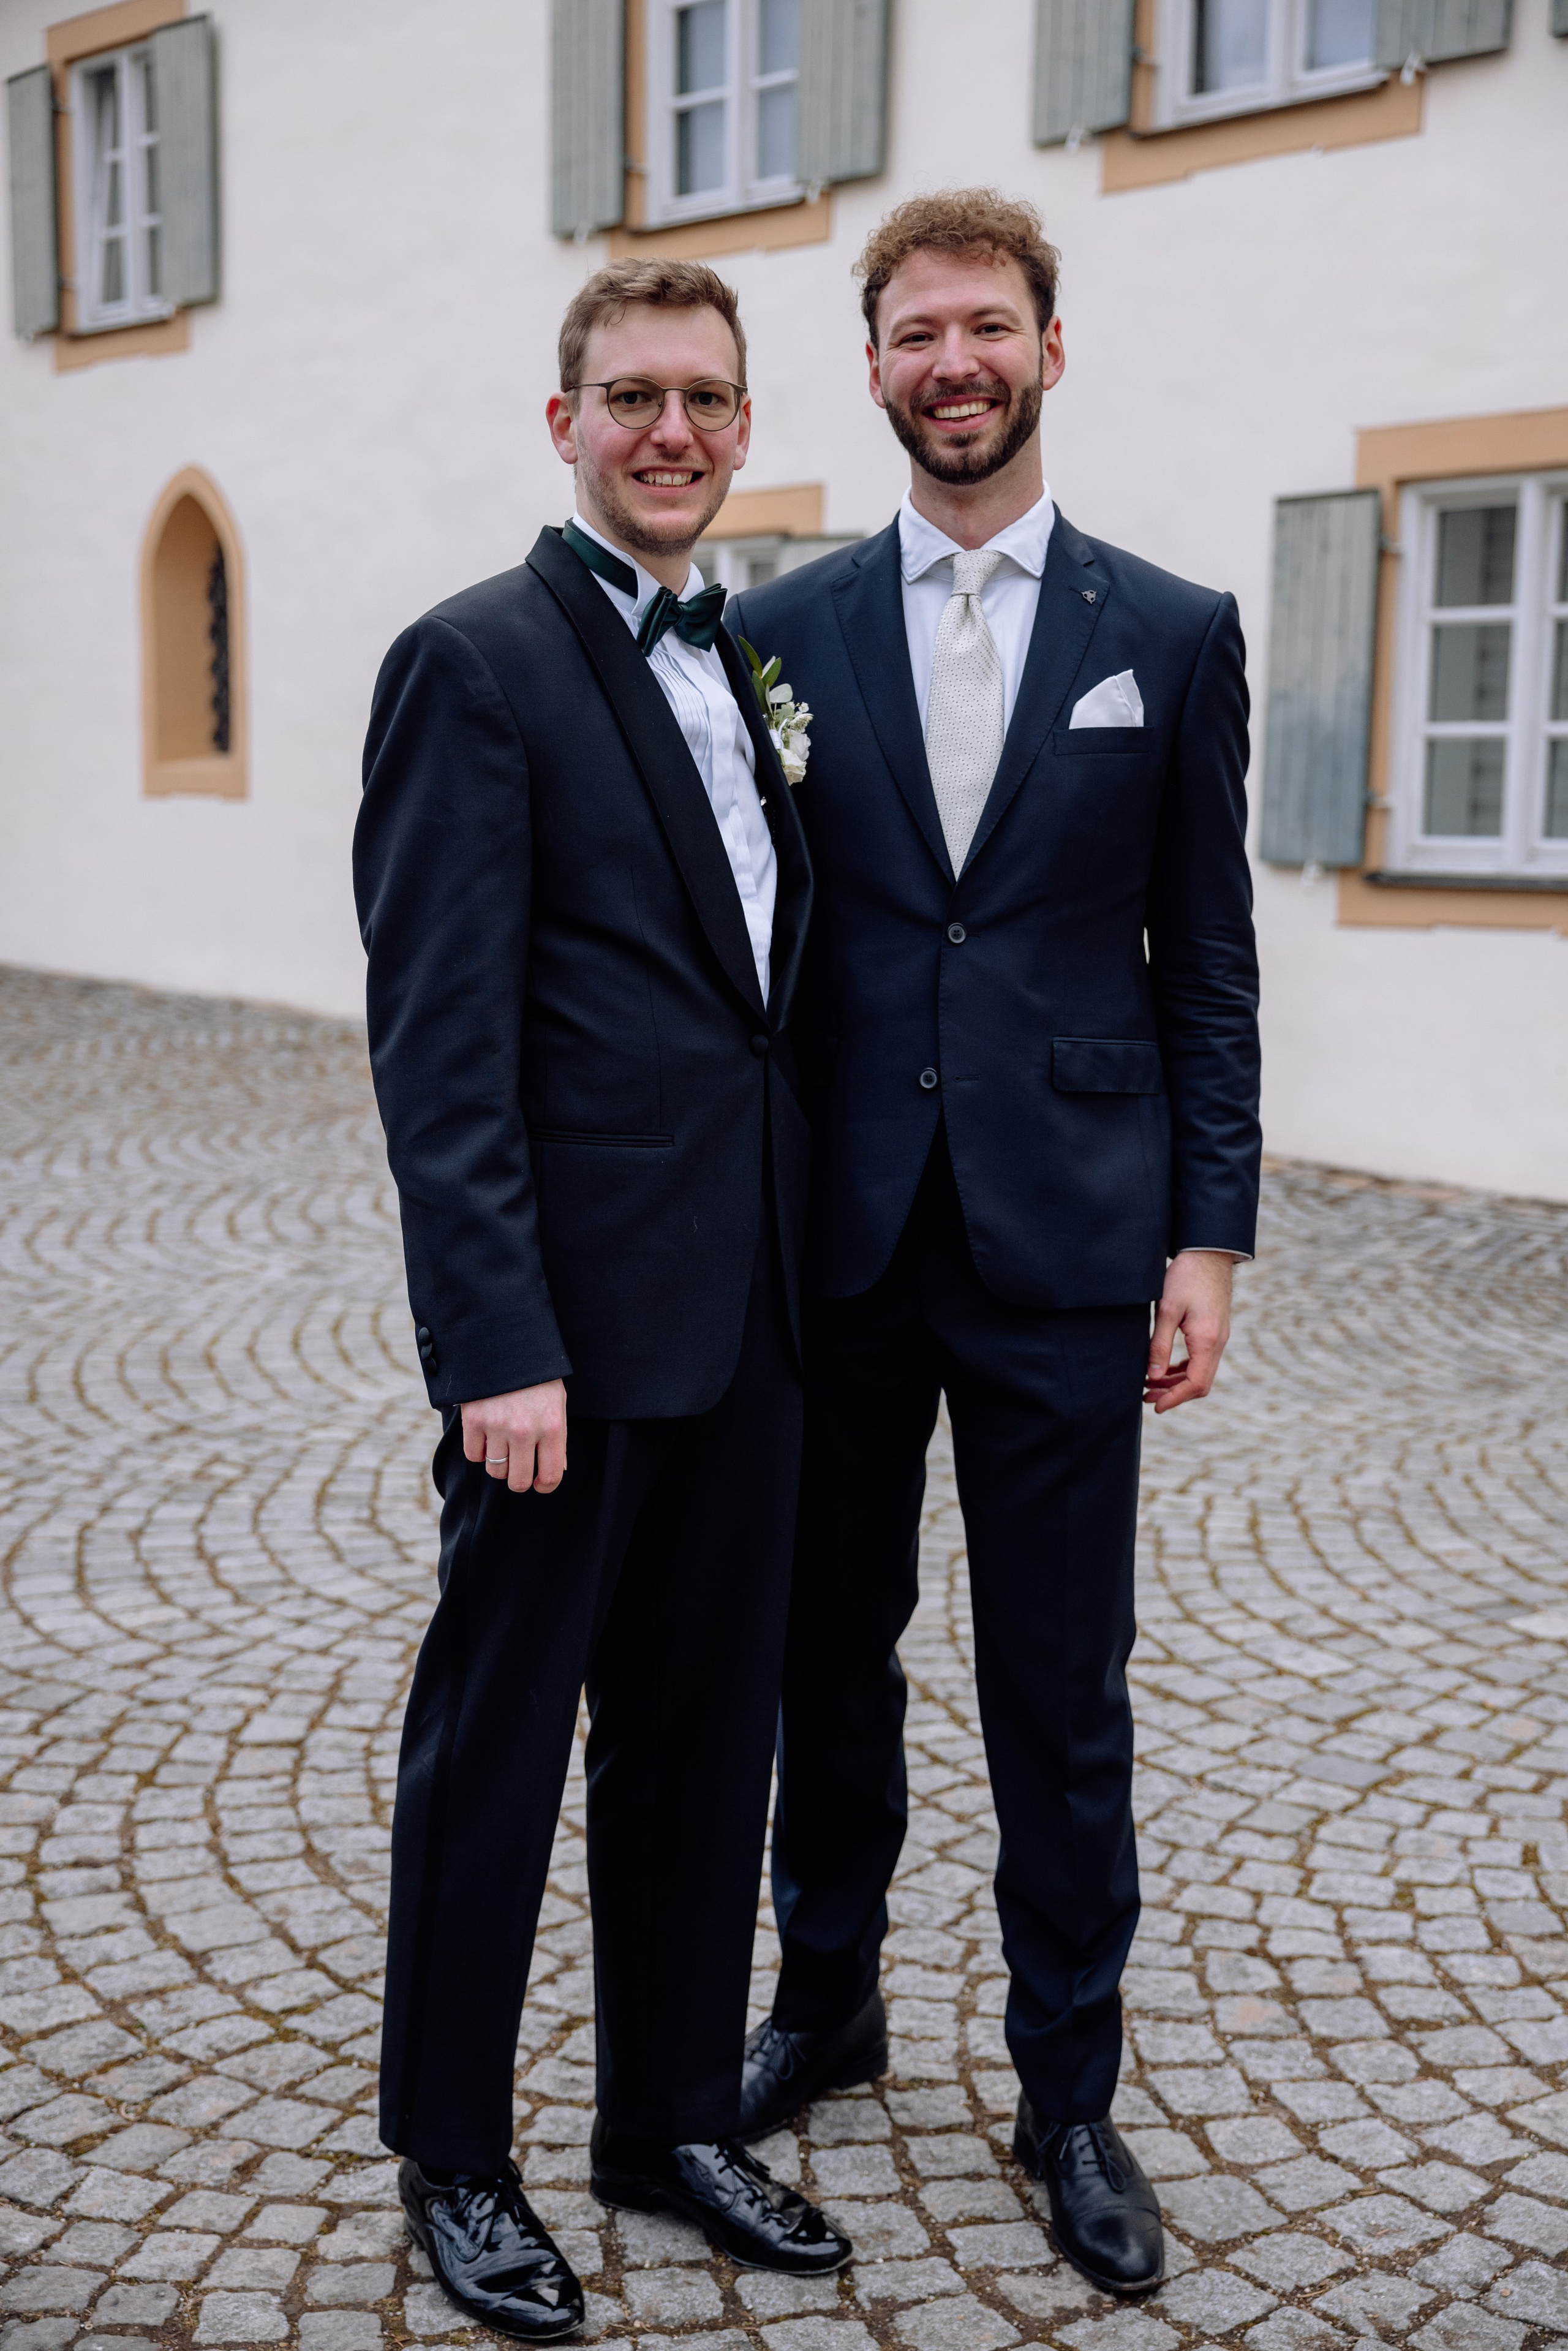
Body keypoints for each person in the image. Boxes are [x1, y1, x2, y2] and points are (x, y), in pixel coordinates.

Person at [726, 190, 1261, 2298]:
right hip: (838, 1237)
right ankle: (830, 1993)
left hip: (1068, 1245)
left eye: (989, 328)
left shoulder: (1175, 627)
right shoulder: (781, 631)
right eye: (916, 334)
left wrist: (1206, 1231)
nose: (954, 365)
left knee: (1061, 1682)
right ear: (871, 369)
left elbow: (1204, 960)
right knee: (820, 1657)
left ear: (1053, 346)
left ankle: (1068, 2091)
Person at [354, 256, 847, 2342]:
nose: (672, 432)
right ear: (561, 420)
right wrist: (498, 1344)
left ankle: (660, 2119)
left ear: (744, 426)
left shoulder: (739, 661)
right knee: (496, 1750)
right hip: (564, 1345)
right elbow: (437, 1042)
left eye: (708, 400)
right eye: (632, 395)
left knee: (703, 1745)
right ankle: (456, 2160)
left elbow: (751, 1009)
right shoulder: (472, 664)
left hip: (752, 1323)